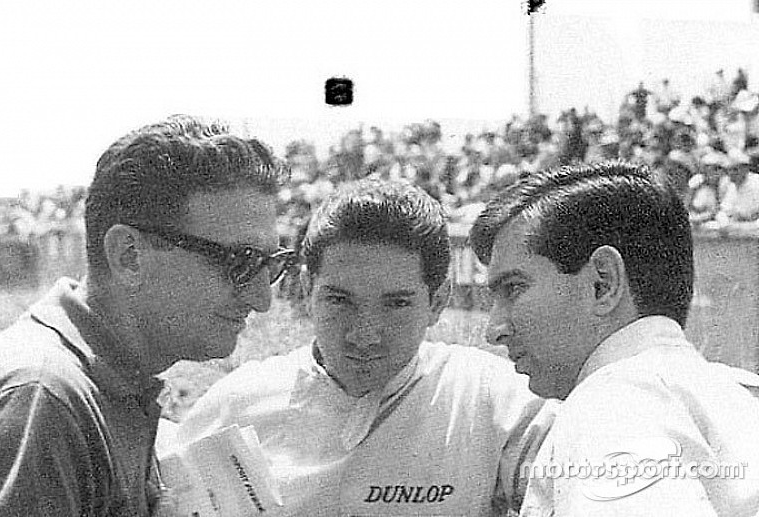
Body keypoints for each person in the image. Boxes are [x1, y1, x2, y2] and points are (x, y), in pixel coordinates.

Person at [0, 115, 293, 517]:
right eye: (241, 262)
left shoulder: (102, 383)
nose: (262, 299)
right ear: (129, 256)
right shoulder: (45, 399)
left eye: (271, 264)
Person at [177, 177, 555, 517]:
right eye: (340, 301)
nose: (364, 335)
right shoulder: (236, 406)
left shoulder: (491, 398)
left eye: (396, 304)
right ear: (307, 291)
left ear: (438, 301)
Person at [469, 160, 759, 515]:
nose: (494, 330)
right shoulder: (727, 394)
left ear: (602, 283)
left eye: (513, 288)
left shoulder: (612, 402)